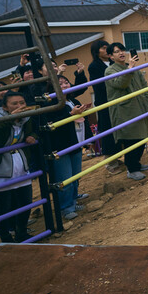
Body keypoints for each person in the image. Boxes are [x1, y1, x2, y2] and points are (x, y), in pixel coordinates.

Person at [43, 75, 92, 220]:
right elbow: (52, 124)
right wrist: (71, 114)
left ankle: (73, 201)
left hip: (76, 142)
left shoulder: (73, 100)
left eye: (66, 82)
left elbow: (84, 120)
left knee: (76, 174)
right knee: (65, 178)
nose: (65, 85)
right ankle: (66, 208)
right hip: (61, 147)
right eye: (60, 84)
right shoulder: (51, 105)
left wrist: (88, 139)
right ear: (52, 88)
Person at [104, 43, 148, 181]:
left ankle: (136, 163)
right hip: (125, 111)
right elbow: (121, 83)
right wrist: (130, 68)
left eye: (122, 50)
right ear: (111, 56)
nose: (121, 53)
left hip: (139, 106)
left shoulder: (130, 68)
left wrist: (147, 97)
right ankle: (131, 169)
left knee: (142, 136)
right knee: (131, 138)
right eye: (117, 52)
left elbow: (143, 83)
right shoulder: (109, 71)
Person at [0, 91, 39, 242]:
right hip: (1, 167)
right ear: (5, 107)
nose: (19, 106)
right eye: (14, 104)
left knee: (25, 201)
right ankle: (6, 238)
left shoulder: (26, 117)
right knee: (3, 206)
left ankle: (22, 232)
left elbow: (34, 130)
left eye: (22, 103)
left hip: (21, 164)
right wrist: (10, 118)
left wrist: (33, 136)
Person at [88, 40, 122, 173]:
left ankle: (117, 157)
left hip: (118, 101)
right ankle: (110, 162)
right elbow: (100, 86)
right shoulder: (94, 66)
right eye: (103, 48)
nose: (107, 49)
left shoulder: (114, 63)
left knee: (119, 130)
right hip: (105, 103)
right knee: (108, 132)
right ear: (97, 51)